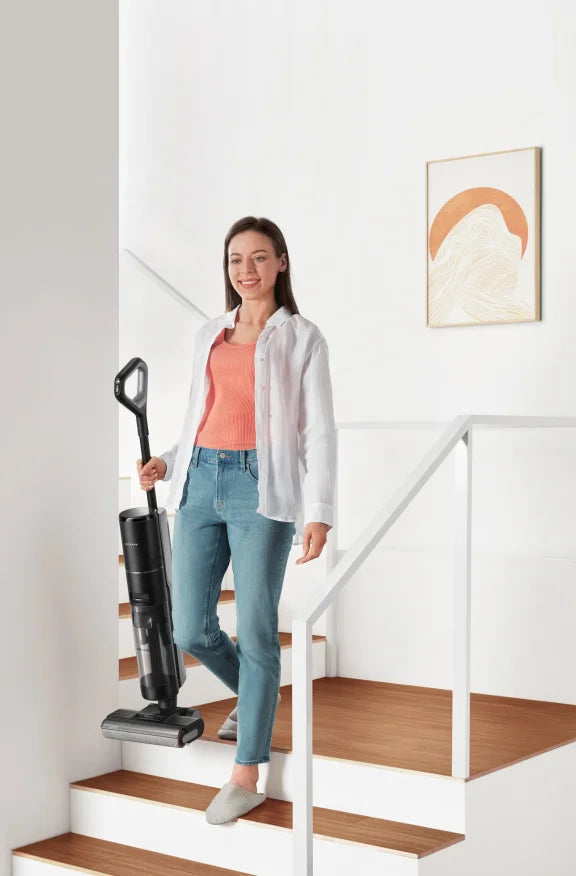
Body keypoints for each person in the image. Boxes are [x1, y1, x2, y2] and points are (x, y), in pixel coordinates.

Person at [137, 215, 336, 824]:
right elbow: (201, 414)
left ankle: (247, 772)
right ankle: (256, 697)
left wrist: (320, 512)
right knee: (189, 629)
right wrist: (167, 463)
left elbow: (319, 431)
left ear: (281, 263)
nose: (245, 271)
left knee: (255, 629)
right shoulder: (210, 333)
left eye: (258, 258)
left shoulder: (302, 337)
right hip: (200, 483)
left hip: (262, 490)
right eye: (234, 260)